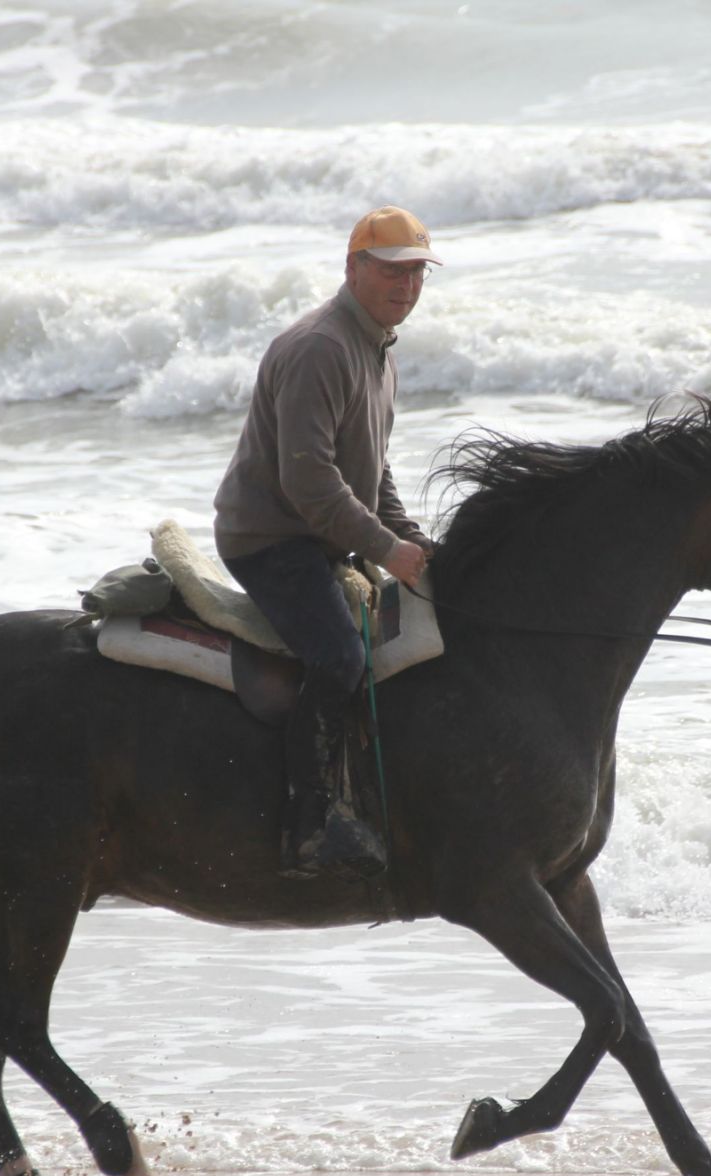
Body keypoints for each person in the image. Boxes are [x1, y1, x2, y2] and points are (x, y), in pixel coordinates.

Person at [213, 206, 441, 880]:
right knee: (339, 657)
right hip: (271, 538)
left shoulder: (376, 351)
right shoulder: (322, 347)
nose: (406, 286)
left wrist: (414, 542)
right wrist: (384, 549)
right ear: (353, 267)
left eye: (417, 273)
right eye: (392, 270)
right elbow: (309, 480)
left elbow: (372, 470)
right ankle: (309, 822)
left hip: (319, 533)